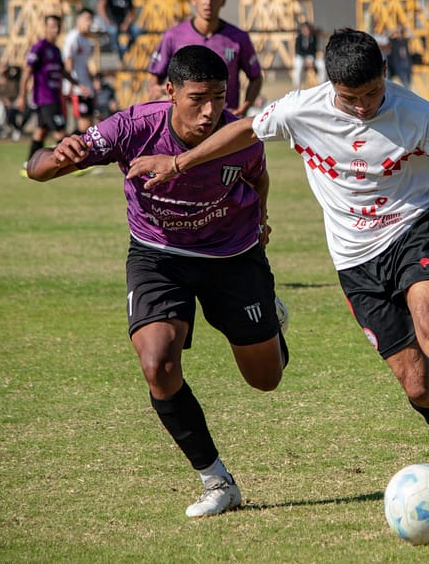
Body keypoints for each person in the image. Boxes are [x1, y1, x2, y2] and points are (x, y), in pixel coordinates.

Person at [125, 28, 429, 503]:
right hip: (353, 257)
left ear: (385, 74)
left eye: (373, 93)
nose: (365, 107)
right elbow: (244, 129)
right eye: (352, 98)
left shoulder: (416, 114)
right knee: (417, 386)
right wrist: (178, 164)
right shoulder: (303, 108)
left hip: (412, 227)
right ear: (331, 86)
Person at [26, 45, 288, 519]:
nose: (209, 111)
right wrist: (53, 155)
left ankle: (269, 315)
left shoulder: (240, 136)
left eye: (218, 97)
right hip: (158, 255)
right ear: (170, 92)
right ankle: (217, 480)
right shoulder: (131, 128)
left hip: (232, 255)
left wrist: (262, 219)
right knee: (158, 365)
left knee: (265, 380)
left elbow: (258, 179)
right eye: (197, 98)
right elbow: (41, 168)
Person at [148, 0, 263, 118]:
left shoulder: (239, 38)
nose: (208, 2)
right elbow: (154, 79)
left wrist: (244, 108)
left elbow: (256, 77)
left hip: (222, 122)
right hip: (184, 123)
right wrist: (156, 91)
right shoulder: (173, 36)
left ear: (223, 1)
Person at [17, 14, 88, 171]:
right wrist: (21, 96)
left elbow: (63, 72)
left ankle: (29, 165)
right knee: (60, 132)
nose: (55, 30)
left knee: (41, 131)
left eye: (58, 26)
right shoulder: (39, 47)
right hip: (44, 97)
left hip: (54, 96)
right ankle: (74, 164)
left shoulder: (55, 50)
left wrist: (78, 85)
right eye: (52, 26)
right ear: (46, 27)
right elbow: (26, 72)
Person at [63, 8, 98, 134]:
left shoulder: (86, 41)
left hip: (86, 88)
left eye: (91, 20)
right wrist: (71, 85)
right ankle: (62, 146)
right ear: (78, 20)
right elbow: (68, 62)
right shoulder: (73, 37)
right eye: (87, 19)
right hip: (78, 89)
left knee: (89, 127)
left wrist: (94, 81)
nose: (89, 23)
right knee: (84, 127)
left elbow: (86, 65)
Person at [98, 0, 140, 64]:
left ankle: (125, 49)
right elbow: (101, 6)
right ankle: (117, 51)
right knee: (113, 30)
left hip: (123, 23)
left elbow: (131, 12)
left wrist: (126, 24)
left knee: (137, 30)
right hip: (112, 23)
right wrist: (107, 21)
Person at [292, 21, 326, 89]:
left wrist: (311, 60)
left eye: (308, 29)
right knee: (298, 65)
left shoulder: (313, 37)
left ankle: (322, 84)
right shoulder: (299, 38)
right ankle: (297, 86)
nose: (306, 31)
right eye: (305, 29)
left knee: (322, 64)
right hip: (300, 57)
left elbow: (314, 50)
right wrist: (305, 61)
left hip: (311, 57)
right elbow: (298, 51)